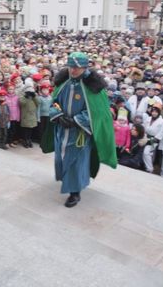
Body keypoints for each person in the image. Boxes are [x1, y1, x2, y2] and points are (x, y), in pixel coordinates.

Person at [47, 53, 117, 208]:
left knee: (76, 162)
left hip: (80, 133)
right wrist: (57, 115)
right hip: (62, 131)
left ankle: (75, 192)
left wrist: (76, 121)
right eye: (71, 67)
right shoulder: (63, 83)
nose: (73, 70)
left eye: (77, 68)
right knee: (61, 158)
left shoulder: (94, 88)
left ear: (85, 67)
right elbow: (54, 102)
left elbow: (97, 112)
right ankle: (66, 180)